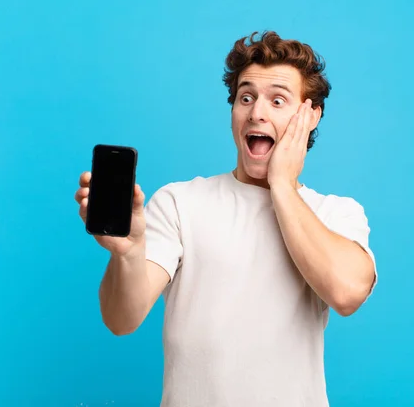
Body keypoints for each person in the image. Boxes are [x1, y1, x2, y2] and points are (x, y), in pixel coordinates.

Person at [74, 31, 377, 407]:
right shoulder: (180, 202)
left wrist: (281, 185)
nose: (257, 113)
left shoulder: (335, 213)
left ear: (309, 115)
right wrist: (128, 253)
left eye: (278, 100)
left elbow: (347, 293)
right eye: (245, 98)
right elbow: (121, 320)